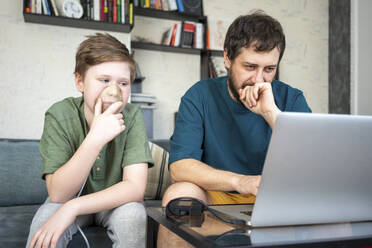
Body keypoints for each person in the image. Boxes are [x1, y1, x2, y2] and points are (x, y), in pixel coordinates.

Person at [158, 10, 311, 247]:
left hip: (275, 200)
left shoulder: (291, 99)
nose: (259, 80)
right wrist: (241, 182)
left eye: (269, 69)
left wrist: (271, 114)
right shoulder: (199, 95)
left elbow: (311, 163)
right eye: (250, 66)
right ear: (228, 59)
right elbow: (180, 167)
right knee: (179, 195)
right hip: (216, 196)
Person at [26, 33, 153, 248]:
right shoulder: (59, 114)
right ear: (80, 81)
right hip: (66, 198)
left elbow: (135, 188)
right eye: (104, 80)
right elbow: (58, 194)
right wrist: (94, 139)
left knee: (133, 215)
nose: (114, 91)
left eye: (123, 83)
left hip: (115, 203)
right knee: (45, 220)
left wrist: (73, 208)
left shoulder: (132, 116)